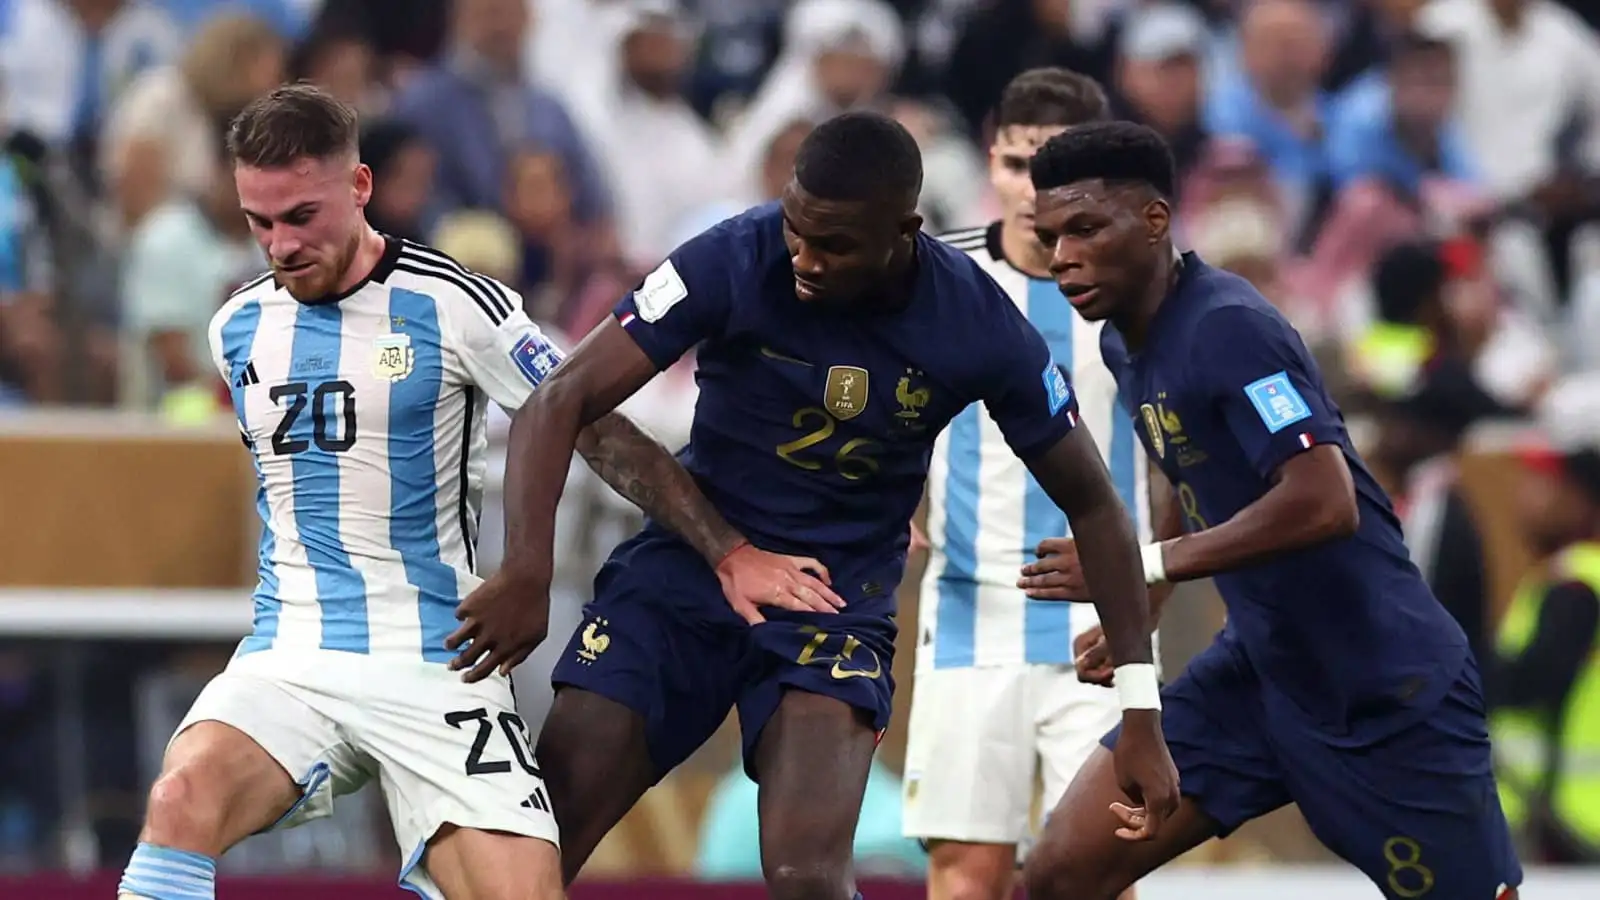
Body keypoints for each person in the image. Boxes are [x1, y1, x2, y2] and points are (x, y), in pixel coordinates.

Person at [451, 110, 1179, 897]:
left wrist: (1140, 707)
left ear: (906, 229)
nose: (803, 257)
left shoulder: (975, 322)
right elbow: (562, 396)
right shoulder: (734, 255)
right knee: (535, 842)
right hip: (685, 567)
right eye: (797, 230)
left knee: (805, 877)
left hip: (834, 599)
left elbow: (1097, 505)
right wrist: (528, 568)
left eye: (834, 244)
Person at [115, 83, 817, 900]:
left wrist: (728, 550)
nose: (279, 245)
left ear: (359, 188)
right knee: (179, 798)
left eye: (301, 217)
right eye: (258, 222)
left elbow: (592, 424)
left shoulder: (454, 304)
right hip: (292, 655)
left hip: (437, 659)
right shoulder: (236, 325)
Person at [1017, 120, 1522, 900]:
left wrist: (1137, 565)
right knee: (1060, 872)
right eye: (1049, 237)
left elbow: (1325, 501)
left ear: (1155, 221)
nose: (1062, 258)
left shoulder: (1229, 327)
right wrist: (1148, 601)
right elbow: (1173, 458)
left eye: (1084, 228)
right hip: (1259, 672)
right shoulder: (1125, 338)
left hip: (1385, 692)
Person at [903, 68, 1165, 900]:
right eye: (1018, 165)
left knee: (1102, 870)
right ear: (990, 161)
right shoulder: (935, 276)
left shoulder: (1134, 287)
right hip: (968, 619)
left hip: (1100, 631)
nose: (1031, 190)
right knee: (966, 871)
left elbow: (1173, 453)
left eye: (1052, 168)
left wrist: (1145, 598)